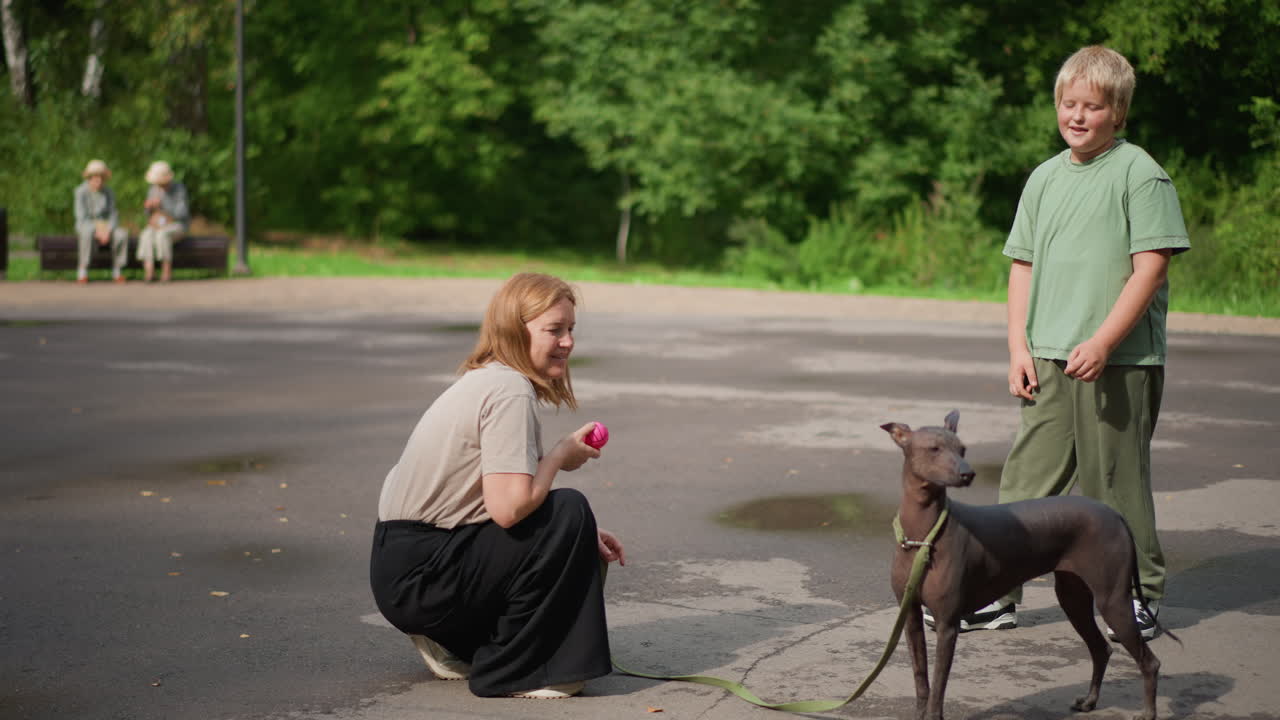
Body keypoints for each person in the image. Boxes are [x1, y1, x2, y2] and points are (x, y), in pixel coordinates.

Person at [947, 46, 1190, 640]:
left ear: (1119, 112)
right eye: (1068, 104)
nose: (1077, 116)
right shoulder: (1045, 177)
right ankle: (994, 595)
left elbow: (1151, 269)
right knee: (1026, 485)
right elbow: (1022, 267)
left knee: (1114, 484)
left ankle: (1136, 594)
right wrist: (1018, 346)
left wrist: (1105, 341)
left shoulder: (1140, 174)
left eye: (1093, 106)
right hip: (1048, 357)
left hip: (1120, 360)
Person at [370, 272, 625, 700]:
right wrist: (560, 458)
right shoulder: (509, 390)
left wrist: (574, 541)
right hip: (423, 575)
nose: (567, 342)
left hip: (408, 567)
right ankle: (524, 671)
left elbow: (492, 500)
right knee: (569, 510)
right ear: (514, 330)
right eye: (554, 330)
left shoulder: (491, 379)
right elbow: (509, 510)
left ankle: (452, 643)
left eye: (570, 329)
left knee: (569, 521)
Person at [73, 159, 129, 284]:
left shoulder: (109, 192)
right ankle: (82, 271)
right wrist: (97, 230)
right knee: (86, 233)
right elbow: (81, 217)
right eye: (96, 178)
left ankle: (117, 271)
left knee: (121, 234)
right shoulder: (80, 192)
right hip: (87, 225)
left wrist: (108, 230)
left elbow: (113, 214)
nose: (99, 181)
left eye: (102, 178)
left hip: (106, 226)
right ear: (89, 178)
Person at [138, 160, 189, 283]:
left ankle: (166, 272)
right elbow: (148, 215)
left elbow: (181, 214)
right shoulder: (153, 189)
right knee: (146, 235)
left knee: (162, 235)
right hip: (157, 225)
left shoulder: (179, 189)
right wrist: (149, 208)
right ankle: (149, 271)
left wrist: (163, 205)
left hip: (176, 225)